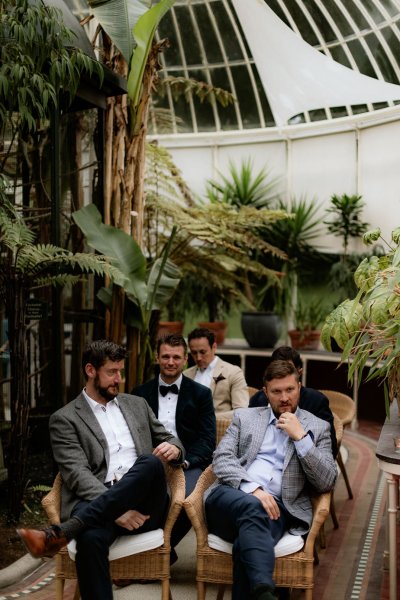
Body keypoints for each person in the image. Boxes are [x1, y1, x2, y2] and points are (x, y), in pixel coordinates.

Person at [17, 340, 185, 600]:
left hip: (144, 506)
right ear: (90, 370)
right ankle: (76, 531)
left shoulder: (136, 404)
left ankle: (62, 532)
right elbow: (76, 474)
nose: (118, 379)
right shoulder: (65, 419)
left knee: (151, 462)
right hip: (95, 500)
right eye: (111, 372)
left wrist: (175, 449)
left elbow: (170, 438)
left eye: (120, 371)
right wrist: (116, 509)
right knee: (90, 541)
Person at [205, 360, 337, 600]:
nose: (284, 397)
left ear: (300, 387)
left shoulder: (318, 428)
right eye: (276, 391)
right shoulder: (245, 418)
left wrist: (301, 439)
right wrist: (253, 489)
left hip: (277, 510)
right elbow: (221, 459)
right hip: (229, 498)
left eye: (290, 390)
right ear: (265, 392)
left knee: (244, 544)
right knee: (252, 505)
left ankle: (262, 590)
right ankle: (266, 589)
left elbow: (327, 481)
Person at [132, 333, 216, 556]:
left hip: (188, 463)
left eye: (176, 357)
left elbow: (207, 440)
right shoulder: (139, 394)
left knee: (187, 500)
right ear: (157, 358)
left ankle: (163, 552)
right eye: (166, 356)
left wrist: (185, 462)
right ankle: (137, 551)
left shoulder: (201, 394)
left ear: (185, 359)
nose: (171, 362)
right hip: (149, 462)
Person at [249, 346, 337, 456]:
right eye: (277, 370)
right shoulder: (257, 400)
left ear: (299, 373)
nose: (282, 375)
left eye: (289, 370)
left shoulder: (316, 401)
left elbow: (330, 450)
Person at [184, 327, 248, 416]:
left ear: (214, 347)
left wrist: (208, 418)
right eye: (194, 353)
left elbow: (242, 411)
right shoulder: (186, 375)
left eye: (203, 352)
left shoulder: (233, 372)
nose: (198, 358)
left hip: (218, 426)